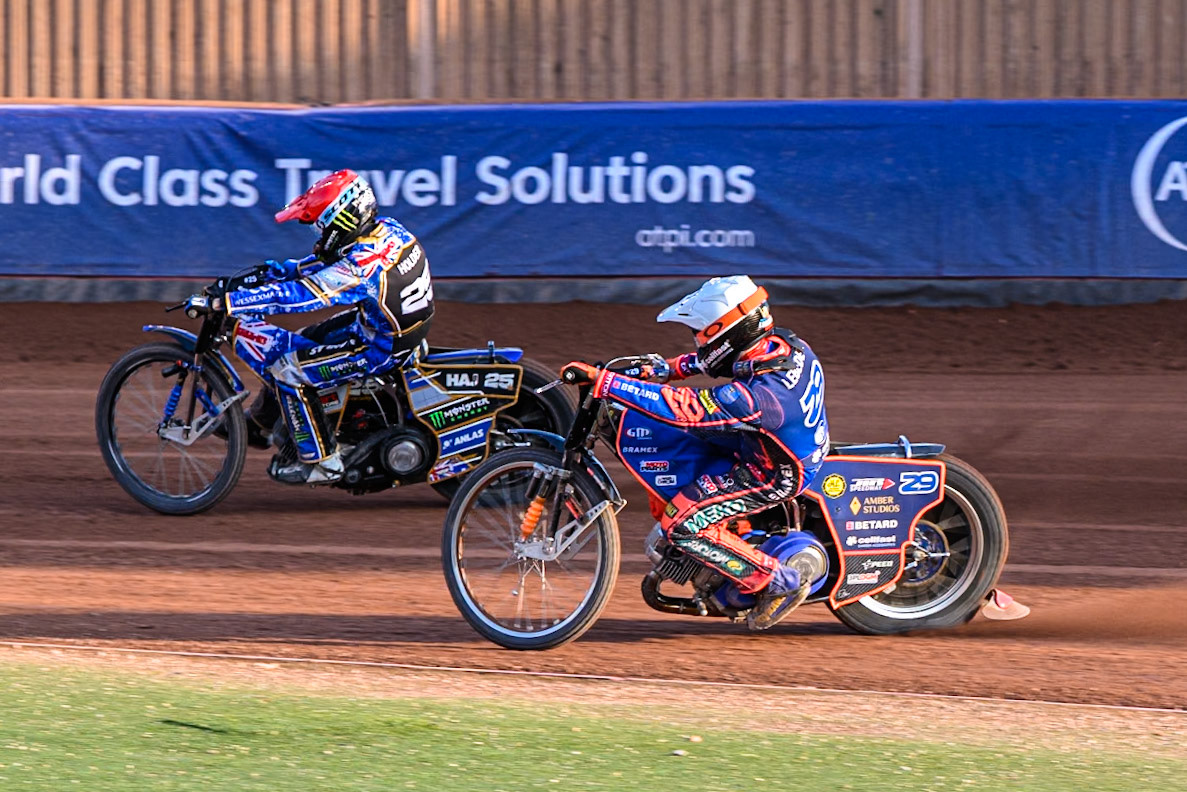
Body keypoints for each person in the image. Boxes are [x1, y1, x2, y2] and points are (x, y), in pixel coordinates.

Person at [562, 275, 829, 630]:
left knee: (682, 525)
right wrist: (662, 369)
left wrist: (607, 383)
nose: (699, 340)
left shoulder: (766, 397)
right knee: (671, 440)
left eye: (703, 333)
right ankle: (735, 537)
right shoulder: (780, 345)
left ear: (729, 330)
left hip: (772, 472)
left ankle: (777, 581)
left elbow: (688, 407)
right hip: (765, 441)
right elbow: (718, 362)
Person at [219, 169, 434, 484]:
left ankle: (323, 462)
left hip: (381, 348)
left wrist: (231, 303)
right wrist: (271, 273)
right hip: (395, 330)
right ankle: (262, 423)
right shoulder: (387, 230)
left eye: (322, 226)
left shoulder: (361, 267)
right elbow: (321, 267)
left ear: (341, 221)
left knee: (287, 369)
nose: (319, 237)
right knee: (304, 340)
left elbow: (303, 297)